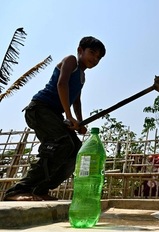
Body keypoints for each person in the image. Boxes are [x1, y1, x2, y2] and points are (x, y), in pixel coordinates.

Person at [3, 36, 106, 201]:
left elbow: (76, 100)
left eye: (98, 57)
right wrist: (69, 116)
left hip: (53, 114)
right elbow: (61, 84)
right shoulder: (71, 60)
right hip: (39, 108)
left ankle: (40, 189)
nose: (94, 58)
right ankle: (18, 190)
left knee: (76, 149)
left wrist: (79, 122)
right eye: (92, 53)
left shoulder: (82, 77)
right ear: (80, 50)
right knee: (60, 143)